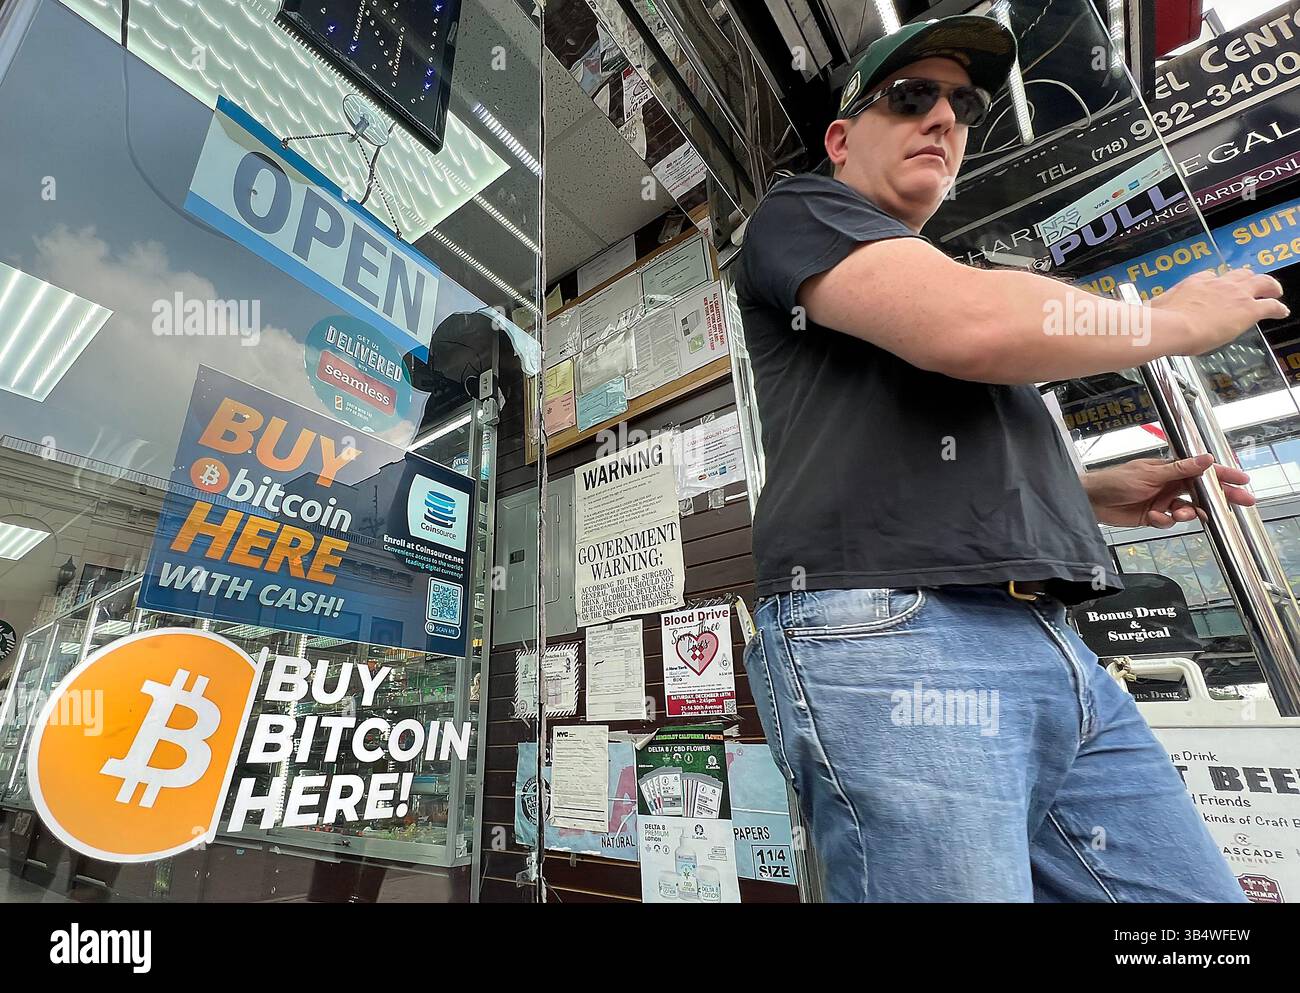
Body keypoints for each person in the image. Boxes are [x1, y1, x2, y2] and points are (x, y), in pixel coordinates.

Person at [734, 14, 1289, 902]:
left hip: (1048, 642)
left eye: (964, 105)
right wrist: (1174, 322)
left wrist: (1091, 491)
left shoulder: (937, 272)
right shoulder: (802, 212)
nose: (946, 119)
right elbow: (972, 328)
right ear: (840, 138)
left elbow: (934, 430)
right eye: (912, 96)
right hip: (903, 639)